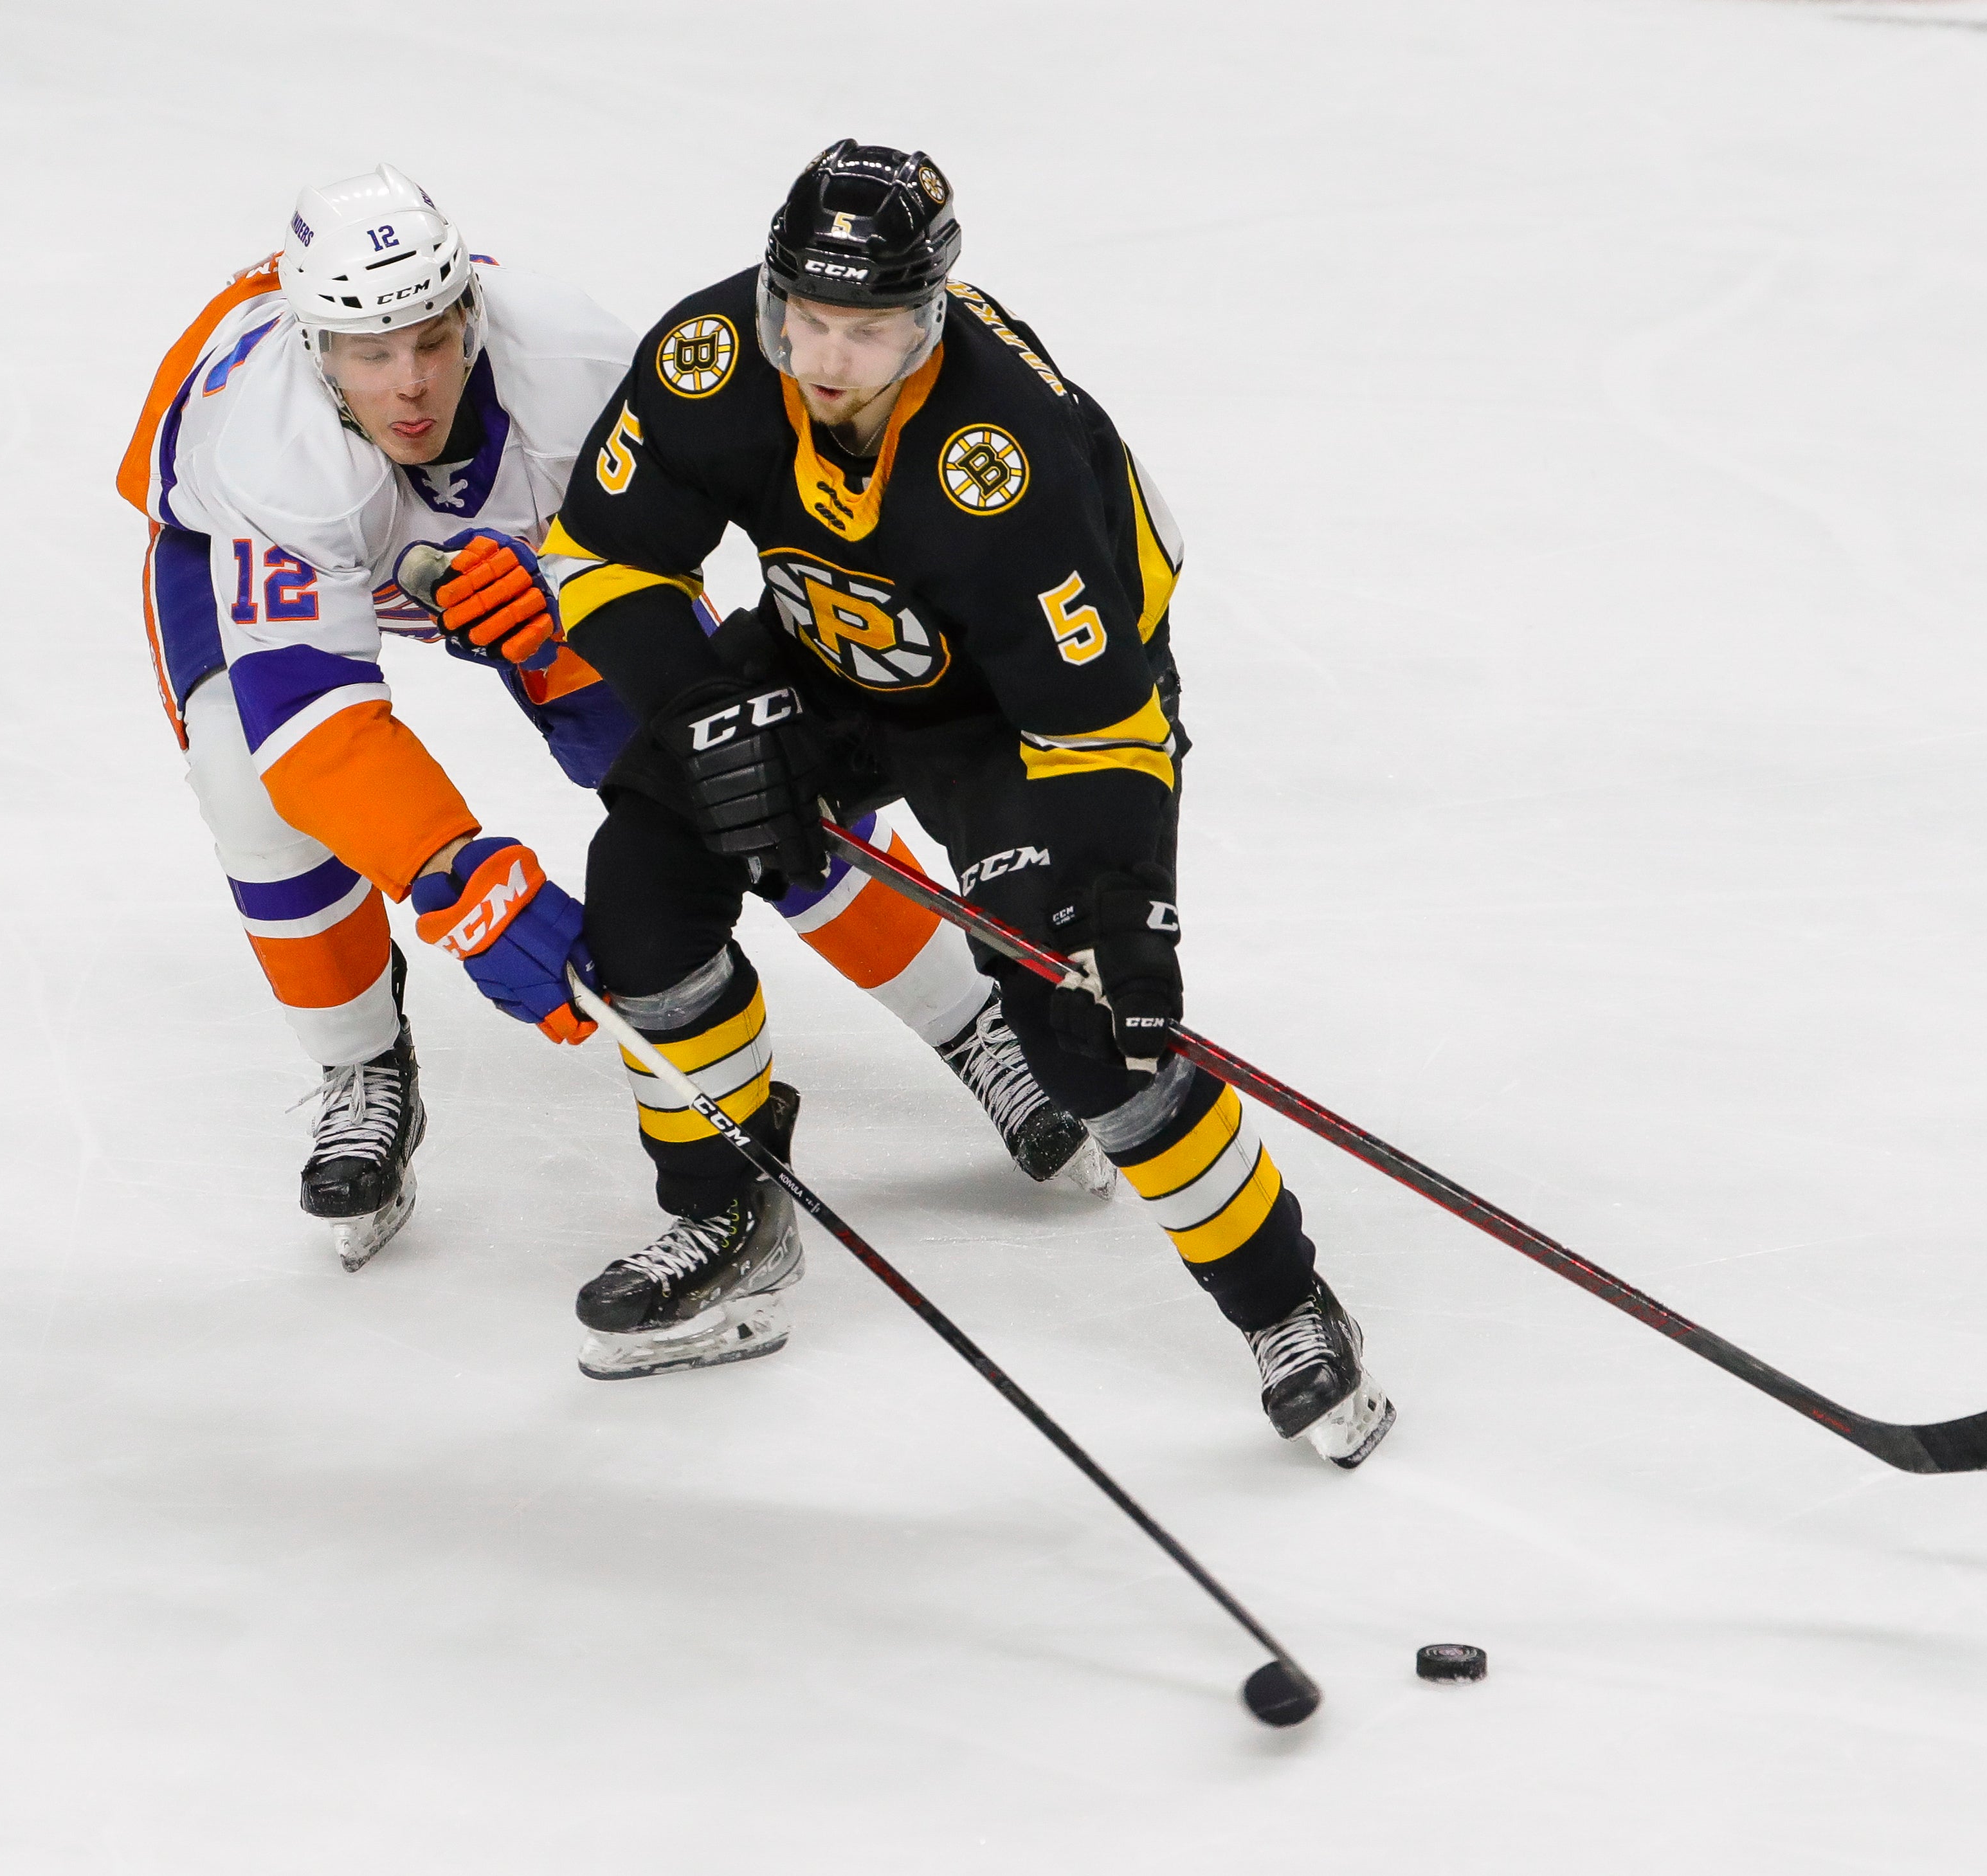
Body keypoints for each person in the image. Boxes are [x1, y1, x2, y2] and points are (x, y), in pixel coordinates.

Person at [536, 140, 1395, 1466]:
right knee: (640, 906)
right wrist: (702, 705)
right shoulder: (713, 355)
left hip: (1016, 718)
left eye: (864, 332)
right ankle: (730, 1213)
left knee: (1084, 1031)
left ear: (926, 319)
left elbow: (1101, 722)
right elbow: (597, 553)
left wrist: (1125, 912)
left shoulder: (1007, 457)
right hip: (823, 652)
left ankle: (1286, 1304)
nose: (822, 360)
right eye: (803, 319)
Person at [114, 165, 1103, 1272]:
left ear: (472, 314)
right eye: (370, 353)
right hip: (231, 546)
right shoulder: (268, 448)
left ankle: (975, 1022)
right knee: (253, 792)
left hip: (530, 543)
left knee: (734, 759)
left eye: (433, 342)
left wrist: (556, 588)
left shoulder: (574, 365)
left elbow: (674, 557)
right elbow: (312, 730)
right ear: (317, 353)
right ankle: (362, 1058)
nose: (410, 387)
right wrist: (459, 878)